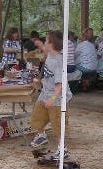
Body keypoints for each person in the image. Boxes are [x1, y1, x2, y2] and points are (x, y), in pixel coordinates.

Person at [29, 30, 72, 160]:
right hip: (46, 93)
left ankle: (62, 149)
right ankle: (41, 136)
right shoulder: (51, 55)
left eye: (46, 41)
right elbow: (45, 51)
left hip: (57, 98)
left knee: (58, 124)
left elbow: (60, 84)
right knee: (37, 116)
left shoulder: (58, 62)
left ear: (52, 44)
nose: (44, 43)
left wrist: (52, 98)